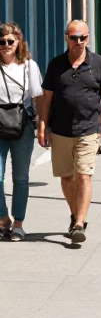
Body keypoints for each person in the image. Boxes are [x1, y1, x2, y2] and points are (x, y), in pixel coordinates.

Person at [37, 20, 101, 244]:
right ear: (66, 38)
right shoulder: (56, 65)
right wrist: (42, 125)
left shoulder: (99, 63)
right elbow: (47, 98)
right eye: (74, 38)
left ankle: (79, 223)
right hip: (61, 130)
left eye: (83, 38)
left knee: (83, 175)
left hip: (89, 128)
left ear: (88, 38)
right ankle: (75, 215)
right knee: (66, 178)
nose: (79, 42)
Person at [0, 22, 43, 241]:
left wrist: (43, 124)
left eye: (10, 41)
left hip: (22, 124)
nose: (6, 45)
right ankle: (3, 218)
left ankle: (18, 223)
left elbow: (38, 97)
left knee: (20, 177)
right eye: (2, 42)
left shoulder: (29, 66)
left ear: (18, 42)